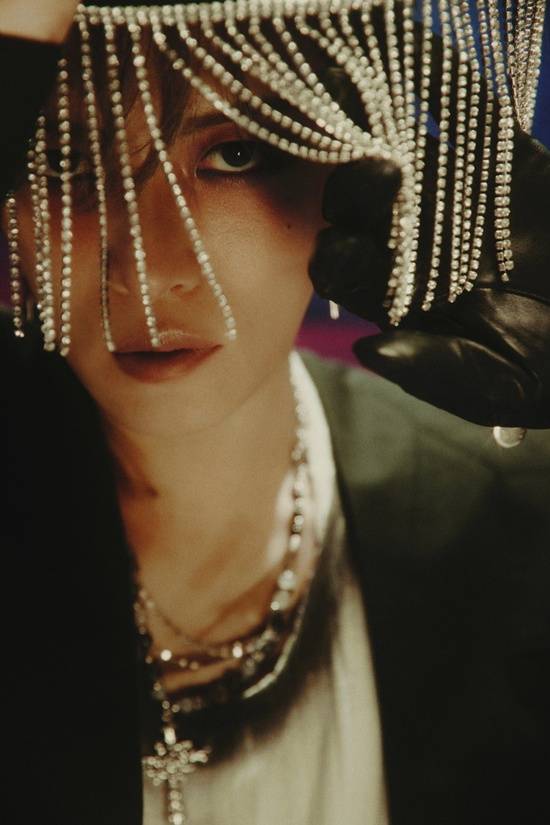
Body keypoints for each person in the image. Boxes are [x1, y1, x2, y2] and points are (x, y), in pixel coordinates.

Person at [1, 3, 549, 825]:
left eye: (235, 152)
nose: (151, 267)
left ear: (354, 172)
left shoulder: (513, 531)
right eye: (68, 160)